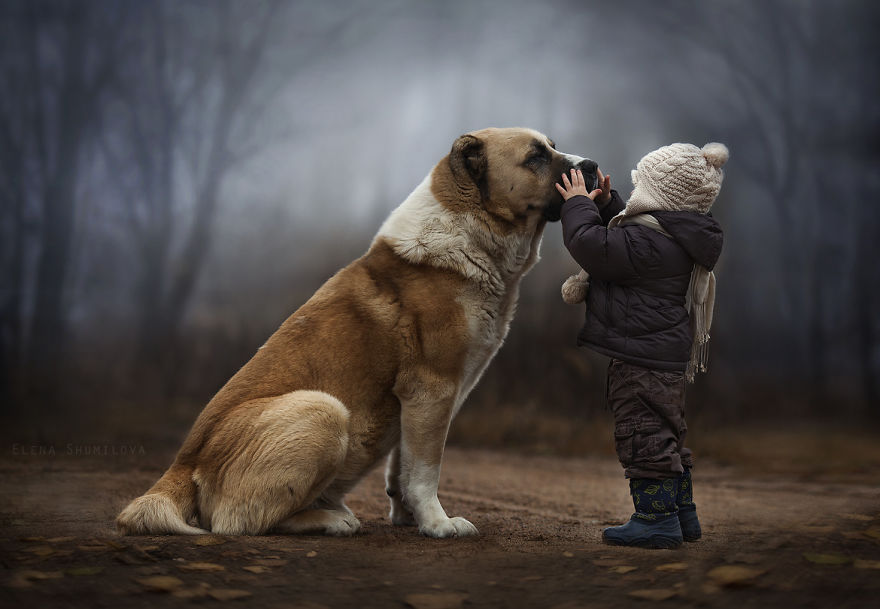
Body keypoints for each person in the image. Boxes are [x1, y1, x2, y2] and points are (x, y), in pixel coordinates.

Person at [554, 142, 728, 549]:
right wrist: (606, 203)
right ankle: (682, 515)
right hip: (662, 357)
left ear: (660, 196)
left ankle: (655, 521)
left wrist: (577, 205)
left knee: (642, 434)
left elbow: (590, 244)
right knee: (666, 433)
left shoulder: (648, 245)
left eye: (640, 186)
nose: (634, 195)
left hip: (640, 360)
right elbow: (626, 236)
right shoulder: (672, 237)